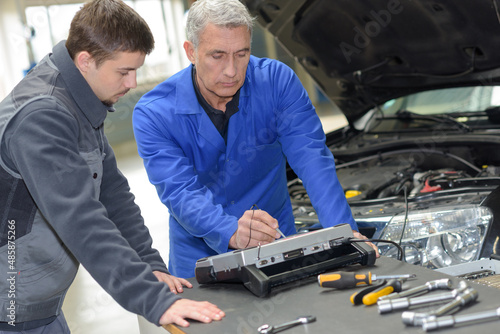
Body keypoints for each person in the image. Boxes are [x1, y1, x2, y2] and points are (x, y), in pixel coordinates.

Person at [0, 0, 224, 332]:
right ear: (85, 60)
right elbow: (82, 220)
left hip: (39, 300)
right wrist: (155, 301)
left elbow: (113, 194)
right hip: (13, 305)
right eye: (124, 71)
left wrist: (149, 266)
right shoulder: (42, 117)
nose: (133, 83)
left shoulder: (80, 95)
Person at [133, 0, 378, 279]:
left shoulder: (277, 83)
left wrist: (344, 233)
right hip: (199, 255)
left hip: (276, 242)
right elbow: (180, 193)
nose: (232, 70)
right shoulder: (154, 113)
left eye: (242, 54)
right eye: (217, 55)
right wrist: (230, 231)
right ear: (191, 51)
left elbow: (312, 158)